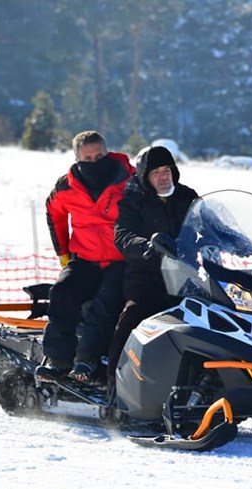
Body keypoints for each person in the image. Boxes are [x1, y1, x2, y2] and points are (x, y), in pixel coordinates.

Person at [38, 130, 135, 384]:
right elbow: (54, 212)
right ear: (78, 159)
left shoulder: (130, 180)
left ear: (107, 153)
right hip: (85, 259)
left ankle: (87, 360)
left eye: (99, 156)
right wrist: (63, 253)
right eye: (88, 159)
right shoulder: (66, 186)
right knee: (62, 291)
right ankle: (57, 360)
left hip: (121, 260)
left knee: (106, 300)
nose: (95, 162)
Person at [106, 146, 199, 386]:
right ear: (145, 177)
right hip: (146, 276)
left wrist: (242, 243)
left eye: (166, 170)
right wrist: (146, 246)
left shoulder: (187, 196)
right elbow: (123, 235)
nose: (163, 177)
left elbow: (211, 224)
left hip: (186, 277)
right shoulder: (133, 200)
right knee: (133, 314)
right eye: (155, 172)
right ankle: (114, 383)